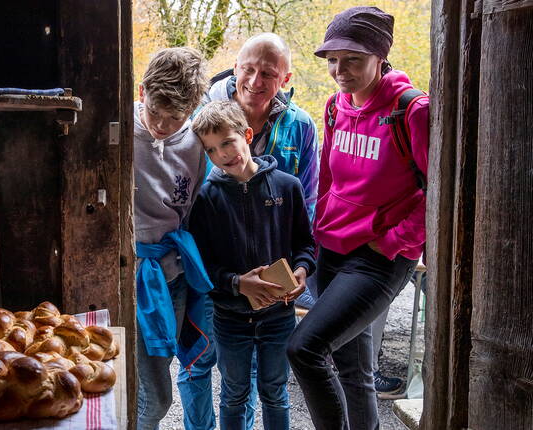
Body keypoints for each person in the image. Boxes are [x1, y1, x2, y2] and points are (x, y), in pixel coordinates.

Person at [286, 6, 429, 430]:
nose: (339, 69)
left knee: (305, 349)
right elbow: (328, 179)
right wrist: (314, 238)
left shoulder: (411, 110)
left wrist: (393, 241)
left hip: (378, 258)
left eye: (352, 59)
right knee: (353, 370)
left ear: (380, 57)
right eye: (332, 59)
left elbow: (436, 192)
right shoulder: (335, 107)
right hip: (332, 248)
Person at [178, 32, 319, 430]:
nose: (256, 80)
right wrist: (236, 283)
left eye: (269, 74)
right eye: (249, 69)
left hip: (277, 307)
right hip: (224, 298)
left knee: (272, 386)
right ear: (236, 67)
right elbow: (199, 245)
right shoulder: (201, 121)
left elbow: (305, 213)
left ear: (285, 78)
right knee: (206, 367)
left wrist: (300, 272)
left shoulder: (300, 131)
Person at [133, 47, 215, 430]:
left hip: (172, 275)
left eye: (175, 118)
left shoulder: (197, 145)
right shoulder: (116, 131)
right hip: (129, 273)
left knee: (159, 366)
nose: (162, 126)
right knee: (154, 397)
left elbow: (194, 204)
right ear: (141, 90)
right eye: (155, 113)